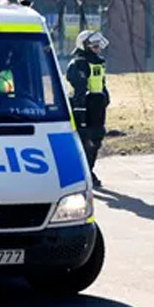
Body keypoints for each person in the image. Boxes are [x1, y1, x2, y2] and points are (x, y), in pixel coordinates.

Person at [67, 30, 110, 189]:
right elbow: (79, 89)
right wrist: (80, 113)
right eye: (94, 46)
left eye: (98, 45)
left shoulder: (98, 62)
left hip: (97, 105)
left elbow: (101, 82)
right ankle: (84, 174)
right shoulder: (79, 63)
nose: (97, 48)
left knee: (96, 139)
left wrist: (105, 97)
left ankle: (88, 171)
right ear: (84, 46)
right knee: (87, 140)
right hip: (85, 106)